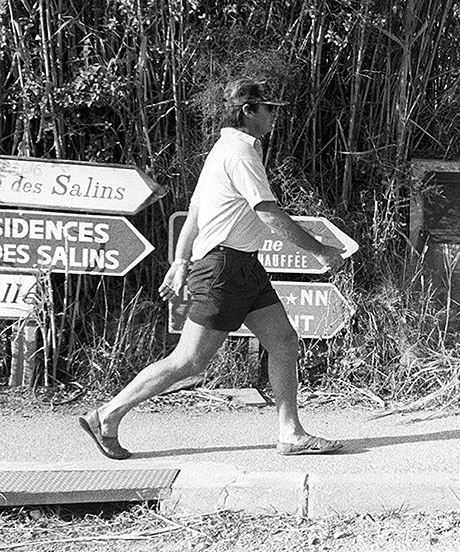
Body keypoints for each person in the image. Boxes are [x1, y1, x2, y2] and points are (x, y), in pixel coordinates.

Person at [78, 78, 348, 459]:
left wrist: (181, 262)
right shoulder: (238, 153)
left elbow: (196, 213)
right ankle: (107, 414)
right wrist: (319, 251)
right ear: (248, 112)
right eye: (268, 108)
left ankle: (291, 433)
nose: (274, 116)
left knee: (284, 341)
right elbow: (268, 214)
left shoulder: (226, 150)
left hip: (244, 268)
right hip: (224, 269)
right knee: (189, 362)